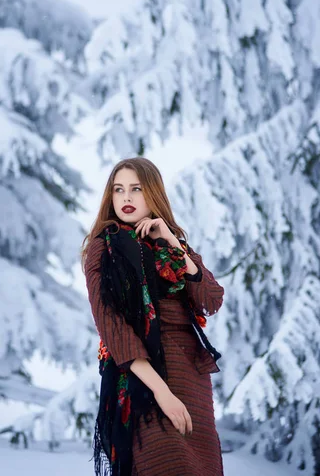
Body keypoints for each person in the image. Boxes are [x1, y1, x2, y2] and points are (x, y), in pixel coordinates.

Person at [81, 157, 225, 476]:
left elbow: (212, 299)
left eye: (136, 189)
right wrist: (162, 392)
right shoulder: (103, 249)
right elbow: (113, 328)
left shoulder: (171, 246)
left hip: (190, 379)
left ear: (153, 194)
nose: (127, 198)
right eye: (119, 190)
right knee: (165, 465)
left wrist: (172, 243)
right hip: (143, 382)